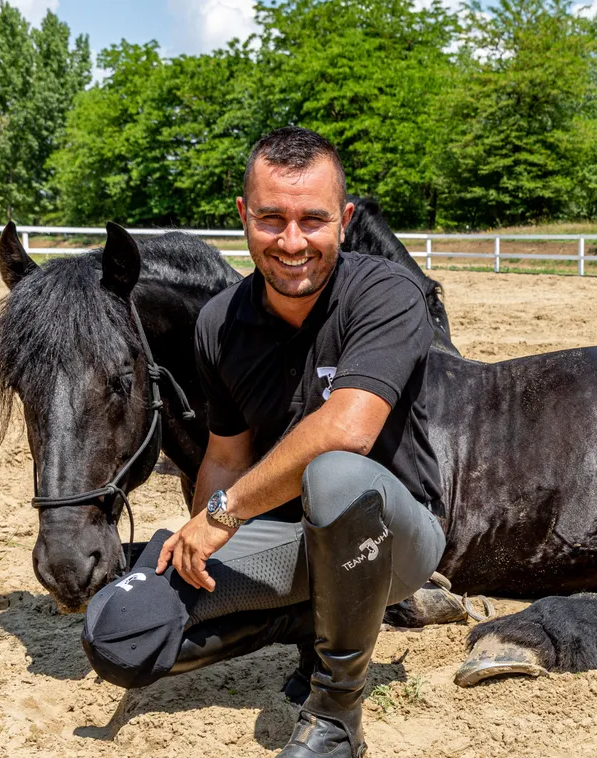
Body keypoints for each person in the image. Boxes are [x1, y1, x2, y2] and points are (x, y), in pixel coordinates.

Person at [79, 126, 447, 758]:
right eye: (272, 219)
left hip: (391, 538)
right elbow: (224, 454)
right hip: (285, 539)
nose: (293, 242)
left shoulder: (388, 293)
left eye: (314, 219)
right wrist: (198, 532)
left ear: (345, 219)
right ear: (244, 215)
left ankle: (335, 715)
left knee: (334, 474)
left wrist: (224, 516)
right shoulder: (220, 321)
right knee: (117, 633)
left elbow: (349, 429)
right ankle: (306, 615)